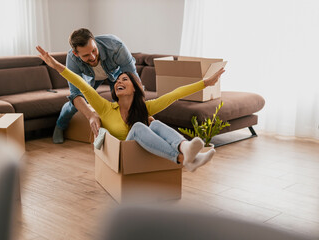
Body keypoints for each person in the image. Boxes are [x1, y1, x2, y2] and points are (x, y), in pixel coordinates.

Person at [36, 46, 225, 171]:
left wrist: (206, 83)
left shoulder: (145, 108)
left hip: (140, 154)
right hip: (121, 158)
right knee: (139, 127)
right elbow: (82, 85)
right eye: (117, 81)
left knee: (156, 124)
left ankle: (187, 150)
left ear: (135, 86)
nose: (118, 82)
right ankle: (182, 160)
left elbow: (175, 94)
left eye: (124, 79)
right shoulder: (105, 107)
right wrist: (57, 66)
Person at [54, 28, 138, 144]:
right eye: (86, 55)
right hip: (91, 78)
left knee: (121, 102)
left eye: (94, 50)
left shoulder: (115, 47)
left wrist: (142, 111)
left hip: (115, 74)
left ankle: (121, 137)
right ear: (76, 53)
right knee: (74, 105)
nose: (93, 57)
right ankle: (59, 126)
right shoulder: (72, 59)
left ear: (94, 41)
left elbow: (133, 80)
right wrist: (91, 116)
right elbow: (75, 94)